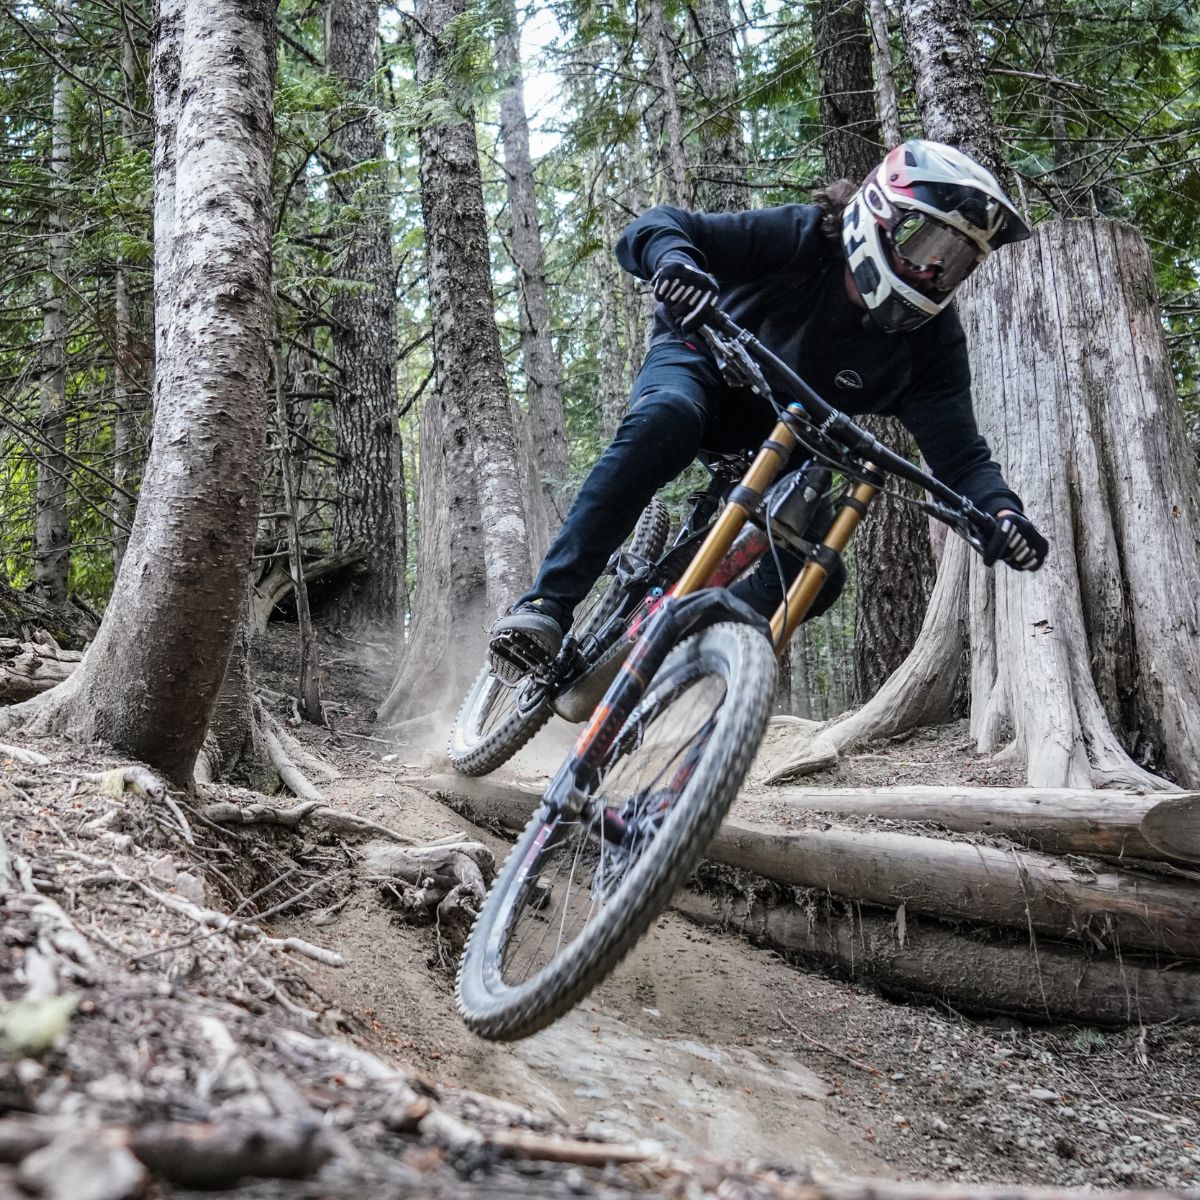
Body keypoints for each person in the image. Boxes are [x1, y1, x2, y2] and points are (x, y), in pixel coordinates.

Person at [488, 139, 1049, 682]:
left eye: (954, 262)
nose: (932, 271)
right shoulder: (803, 237)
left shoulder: (931, 341)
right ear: (879, 214)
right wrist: (677, 263)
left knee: (817, 569)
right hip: (706, 363)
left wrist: (1000, 514)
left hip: (788, 435)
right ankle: (547, 605)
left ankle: (676, 670)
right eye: (924, 241)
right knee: (667, 421)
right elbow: (660, 226)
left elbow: (961, 456)